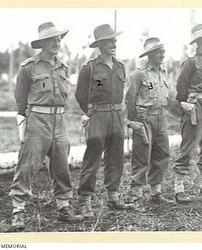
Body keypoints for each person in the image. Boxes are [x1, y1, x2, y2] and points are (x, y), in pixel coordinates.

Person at [10, 21, 83, 229]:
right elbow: (20, 98)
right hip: (37, 121)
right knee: (28, 164)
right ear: (42, 43)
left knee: (61, 165)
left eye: (59, 39)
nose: (57, 42)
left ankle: (63, 206)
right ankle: (18, 209)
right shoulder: (29, 67)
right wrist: (22, 119)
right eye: (52, 39)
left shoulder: (63, 67)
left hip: (59, 121)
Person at [75, 24, 129, 218]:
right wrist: (89, 111)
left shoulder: (120, 66)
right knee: (93, 157)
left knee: (116, 157)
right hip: (98, 116)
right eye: (109, 41)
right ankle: (84, 201)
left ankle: (113, 196)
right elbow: (80, 95)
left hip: (116, 116)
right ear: (100, 44)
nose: (113, 44)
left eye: (114, 40)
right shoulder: (89, 67)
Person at [173, 24, 202, 204]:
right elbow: (180, 87)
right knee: (189, 145)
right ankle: (178, 187)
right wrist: (186, 104)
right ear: (199, 41)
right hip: (195, 105)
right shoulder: (190, 61)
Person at [125, 37, 172, 212]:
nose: (162, 55)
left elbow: (168, 96)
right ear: (150, 54)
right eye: (158, 52)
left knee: (162, 153)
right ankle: (135, 196)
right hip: (144, 118)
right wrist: (134, 120)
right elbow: (129, 98)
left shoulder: (162, 72)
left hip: (161, 116)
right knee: (142, 154)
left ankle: (156, 193)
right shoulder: (140, 73)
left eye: (162, 51)